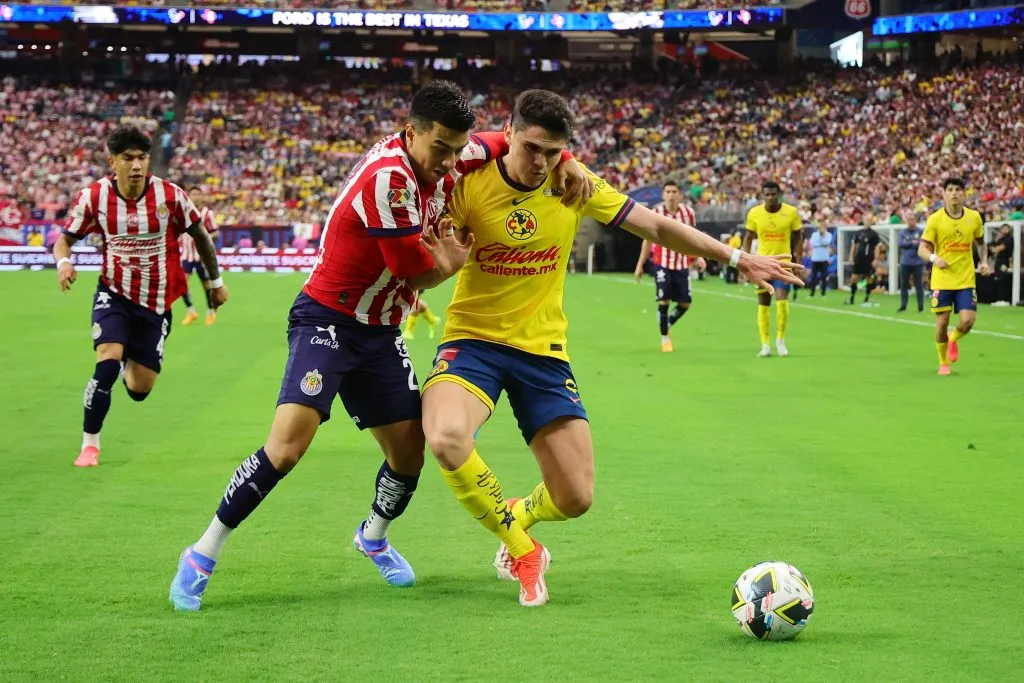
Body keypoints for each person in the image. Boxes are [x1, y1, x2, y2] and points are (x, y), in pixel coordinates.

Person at [167, 81, 593, 611]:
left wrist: (568, 159)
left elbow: (515, 140)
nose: (450, 162)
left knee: (410, 452)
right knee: (288, 446)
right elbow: (415, 274)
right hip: (329, 320)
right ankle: (202, 554)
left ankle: (372, 536)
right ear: (410, 132)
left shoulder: (457, 151)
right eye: (440, 149)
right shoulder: (388, 179)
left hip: (380, 331)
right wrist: (451, 264)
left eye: (458, 150)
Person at [420, 89, 801, 607]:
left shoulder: (573, 184)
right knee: (445, 436)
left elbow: (657, 225)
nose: (542, 163)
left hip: (543, 351)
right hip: (473, 341)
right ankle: (521, 546)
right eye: (532, 148)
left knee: (576, 498)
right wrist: (438, 268)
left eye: (555, 152)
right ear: (506, 134)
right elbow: (428, 260)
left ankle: (520, 513)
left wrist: (737, 258)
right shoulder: (467, 183)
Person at [54, 126, 226, 468]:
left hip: (157, 302)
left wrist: (214, 282)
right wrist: (63, 262)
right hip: (114, 294)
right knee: (106, 362)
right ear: (112, 161)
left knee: (139, 389)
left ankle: (127, 361)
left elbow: (202, 237)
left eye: (142, 158)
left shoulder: (171, 196)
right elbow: (65, 239)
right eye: (128, 158)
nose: (136, 165)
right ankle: (90, 444)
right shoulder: (94, 197)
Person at [918, 177, 991, 375]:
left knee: (968, 321)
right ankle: (943, 363)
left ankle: (953, 338)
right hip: (942, 278)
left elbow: (981, 243)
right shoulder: (935, 219)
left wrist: (984, 261)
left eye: (958, 189)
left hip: (965, 278)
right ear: (944, 193)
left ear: (964, 193)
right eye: (950, 189)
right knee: (942, 322)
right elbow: (922, 249)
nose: (954, 193)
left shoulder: (974, 217)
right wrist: (935, 258)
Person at [632, 181, 706, 352]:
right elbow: (648, 240)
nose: (671, 195)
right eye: (668, 191)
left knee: (685, 304)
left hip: (681, 263)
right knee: (664, 300)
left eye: (674, 191)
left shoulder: (688, 213)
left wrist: (698, 256)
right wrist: (640, 264)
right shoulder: (656, 213)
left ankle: (666, 323)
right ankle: (665, 338)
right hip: (662, 263)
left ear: (680, 194)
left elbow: (693, 237)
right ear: (663, 194)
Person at [742, 181, 802, 357]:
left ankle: (780, 340)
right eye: (767, 195)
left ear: (779, 194)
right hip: (761, 265)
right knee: (763, 304)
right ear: (762, 196)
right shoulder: (755, 213)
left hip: (783, 265)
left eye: (773, 194)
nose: (770, 197)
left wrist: (797, 258)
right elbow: (748, 237)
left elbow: (798, 237)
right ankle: (765, 345)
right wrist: (745, 261)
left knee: (782, 301)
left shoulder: (791, 212)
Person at [179, 187, 221, 326]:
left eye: (198, 194)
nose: (195, 197)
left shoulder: (207, 213)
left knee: (206, 286)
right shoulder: (182, 211)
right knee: (182, 285)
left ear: (202, 196)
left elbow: (215, 233)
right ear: (188, 196)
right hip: (186, 255)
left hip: (202, 256)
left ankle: (210, 312)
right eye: (193, 194)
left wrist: (205, 237)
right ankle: (191, 311)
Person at [846, 213, 880, 306]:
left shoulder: (874, 234)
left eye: (869, 220)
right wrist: (851, 257)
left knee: (869, 279)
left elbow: (877, 247)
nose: (868, 221)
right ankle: (852, 298)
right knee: (854, 278)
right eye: (866, 219)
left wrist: (876, 259)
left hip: (869, 259)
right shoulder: (858, 233)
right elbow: (854, 245)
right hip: (859, 259)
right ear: (863, 220)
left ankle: (866, 299)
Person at [897, 212, 925, 313]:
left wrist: (909, 243)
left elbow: (923, 244)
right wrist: (912, 243)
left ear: (915, 220)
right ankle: (903, 305)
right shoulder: (902, 232)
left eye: (912, 219)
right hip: (905, 262)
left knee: (919, 285)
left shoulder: (921, 231)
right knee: (904, 285)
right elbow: (900, 244)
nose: (911, 221)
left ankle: (920, 307)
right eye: (909, 219)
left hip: (918, 262)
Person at [807, 224, 832, 297]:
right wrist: (821, 242)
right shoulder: (814, 234)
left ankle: (823, 293)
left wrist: (821, 239)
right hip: (815, 258)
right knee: (813, 276)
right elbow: (813, 243)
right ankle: (812, 293)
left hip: (824, 258)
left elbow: (827, 242)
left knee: (824, 276)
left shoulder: (828, 234)